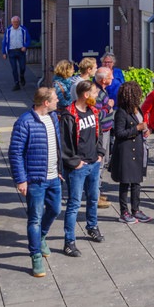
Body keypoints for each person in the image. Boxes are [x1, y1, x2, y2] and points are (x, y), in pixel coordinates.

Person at [8, 87, 63, 278]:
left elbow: (56, 146)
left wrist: (60, 169)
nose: (58, 101)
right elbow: (15, 153)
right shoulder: (25, 122)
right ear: (46, 102)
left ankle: (41, 237)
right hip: (35, 180)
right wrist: (21, 180)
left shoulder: (53, 117)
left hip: (54, 177)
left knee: (55, 209)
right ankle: (35, 256)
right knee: (34, 219)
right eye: (55, 99)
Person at [60, 79, 106, 255]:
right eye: (94, 92)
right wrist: (75, 162)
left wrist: (100, 153)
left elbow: (99, 133)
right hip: (78, 167)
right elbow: (64, 144)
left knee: (93, 198)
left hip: (94, 163)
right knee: (74, 204)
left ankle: (92, 227)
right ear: (85, 95)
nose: (97, 95)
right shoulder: (69, 115)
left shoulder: (93, 111)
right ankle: (69, 241)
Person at [110, 81, 151, 224]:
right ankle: (123, 212)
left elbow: (140, 125)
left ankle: (136, 210)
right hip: (126, 152)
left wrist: (145, 129)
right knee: (125, 183)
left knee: (136, 182)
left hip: (138, 150)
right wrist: (137, 129)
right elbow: (119, 133)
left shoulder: (137, 109)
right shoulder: (121, 112)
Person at [93, 67, 118, 210]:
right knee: (100, 162)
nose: (112, 79)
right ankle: (95, 197)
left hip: (107, 130)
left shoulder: (102, 90)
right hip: (102, 132)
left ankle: (97, 192)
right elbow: (96, 115)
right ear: (103, 80)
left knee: (105, 160)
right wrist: (108, 108)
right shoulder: (96, 93)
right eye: (110, 77)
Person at [1, 15, 30, 91]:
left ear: (19, 22)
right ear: (12, 22)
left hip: (21, 51)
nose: (15, 23)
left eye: (17, 22)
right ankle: (16, 83)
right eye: (14, 22)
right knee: (14, 68)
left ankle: (21, 76)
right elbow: (4, 41)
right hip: (11, 51)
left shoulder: (23, 29)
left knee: (23, 67)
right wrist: (4, 52)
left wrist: (25, 46)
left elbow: (28, 39)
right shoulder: (8, 30)